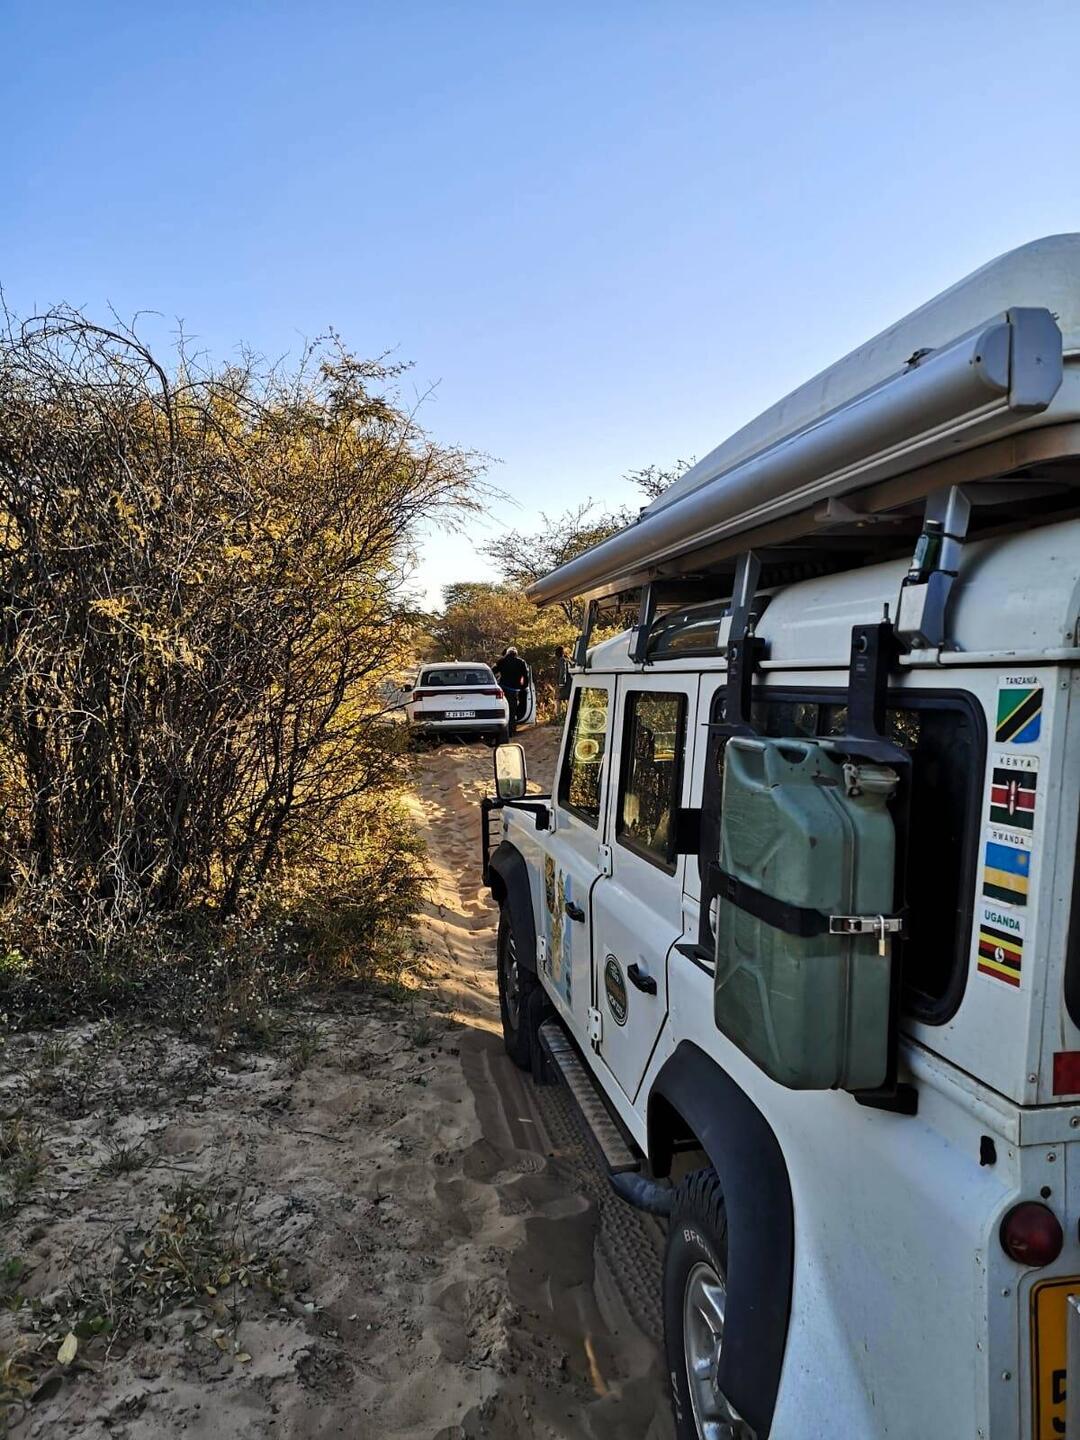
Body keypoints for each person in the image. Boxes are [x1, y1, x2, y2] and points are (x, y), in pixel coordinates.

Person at [493, 646, 530, 734]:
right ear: (516, 654)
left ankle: (502, 730)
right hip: (514, 690)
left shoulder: (502, 661)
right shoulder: (521, 662)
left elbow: (493, 671)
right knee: (512, 710)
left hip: (502, 688)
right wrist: (523, 687)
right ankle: (511, 731)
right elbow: (525, 676)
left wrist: (493, 683)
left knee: (502, 710)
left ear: (507, 653)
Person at [554, 644, 572, 718]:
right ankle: (567, 715)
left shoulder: (561, 660)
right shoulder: (566, 659)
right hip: (568, 683)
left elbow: (563, 671)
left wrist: (561, 684)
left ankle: (559, 715)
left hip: (564, 684)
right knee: (568, 699)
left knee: (558, 698)